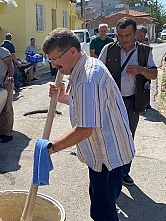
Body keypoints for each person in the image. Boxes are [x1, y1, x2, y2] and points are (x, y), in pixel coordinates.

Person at [44, 28, 135, 221]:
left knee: (103, 213)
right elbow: (88, 104)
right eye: (50, 60)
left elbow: (85, 129)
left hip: (109, 158)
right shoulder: (83, 68)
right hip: (99, 156)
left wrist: (51, 148)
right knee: (100, 205)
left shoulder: (88, 78)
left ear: (72, 51)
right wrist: (62, 97)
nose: (53, 65)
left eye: (56, 59)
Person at [98, 17, 157, 186]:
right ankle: (109, 170)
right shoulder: (108, 49)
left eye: (128, 35)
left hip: (132, 102)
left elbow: (153, 74)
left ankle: (124, 172)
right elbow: (97, 72)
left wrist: (140, 70)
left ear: (136, 33)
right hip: (110, 102)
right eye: (120, 35)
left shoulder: (145, 51)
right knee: (108, 136)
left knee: (128, 138)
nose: (124, 39)